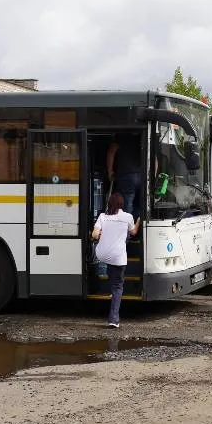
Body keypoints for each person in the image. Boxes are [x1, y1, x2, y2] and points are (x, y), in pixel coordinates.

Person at [92, 192, 141, 329]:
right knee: (118, 287)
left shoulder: (102, 216)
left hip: (102, 254)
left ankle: (107, 276)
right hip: (118, 257)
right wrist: (139, 220)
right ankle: (113, 319)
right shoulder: (128, 217)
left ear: (109, 204)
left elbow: (95, 234)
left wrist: (102, 233)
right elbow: (133, 232)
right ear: (122, 204)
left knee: (111, 270)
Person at [106, 133, 143, 216]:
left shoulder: (122, 135)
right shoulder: (144, 137)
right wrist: (152, 177)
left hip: (127, 174)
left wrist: (110, 171)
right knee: (141, 204)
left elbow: (111, 151)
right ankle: (137, 226)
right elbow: (155, 160)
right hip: (142, 175)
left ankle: (127, 227)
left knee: (127, 204)